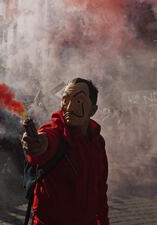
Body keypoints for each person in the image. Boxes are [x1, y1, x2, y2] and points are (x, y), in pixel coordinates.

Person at [21, 78, 109, 225]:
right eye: (65, 99)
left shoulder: (98, 142)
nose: (69, 107)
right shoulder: (55, 133)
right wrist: (39, 145)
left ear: (93, 110)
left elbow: (100, 189)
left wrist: (103, 221)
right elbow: (47, 139)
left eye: (79, 101)